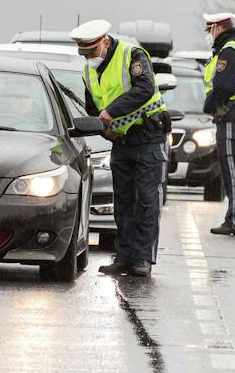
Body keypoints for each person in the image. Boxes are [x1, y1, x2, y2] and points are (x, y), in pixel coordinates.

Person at [72, 19, 170, 277]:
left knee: (147, 200)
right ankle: (124, 257)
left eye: (92, 52)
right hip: (120, 141)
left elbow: (145, 89)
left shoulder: (132, 55)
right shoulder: (88, 71)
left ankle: (143, 258)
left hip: (149, 136)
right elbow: (93, 107)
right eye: (84, 54)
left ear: (104, 42)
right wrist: (104, 129)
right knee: (124, 201)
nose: (89, 58)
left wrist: (111, 112)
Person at [202, 12, 235, 236]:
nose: (208, 35)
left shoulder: (229, 51)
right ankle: (234, 218)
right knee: (234, 169)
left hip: (231, 114)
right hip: (234, 114)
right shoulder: (234, 48)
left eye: (209, 30)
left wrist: (209, 104)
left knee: (233, 170)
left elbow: (224, 87)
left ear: (217, 28)